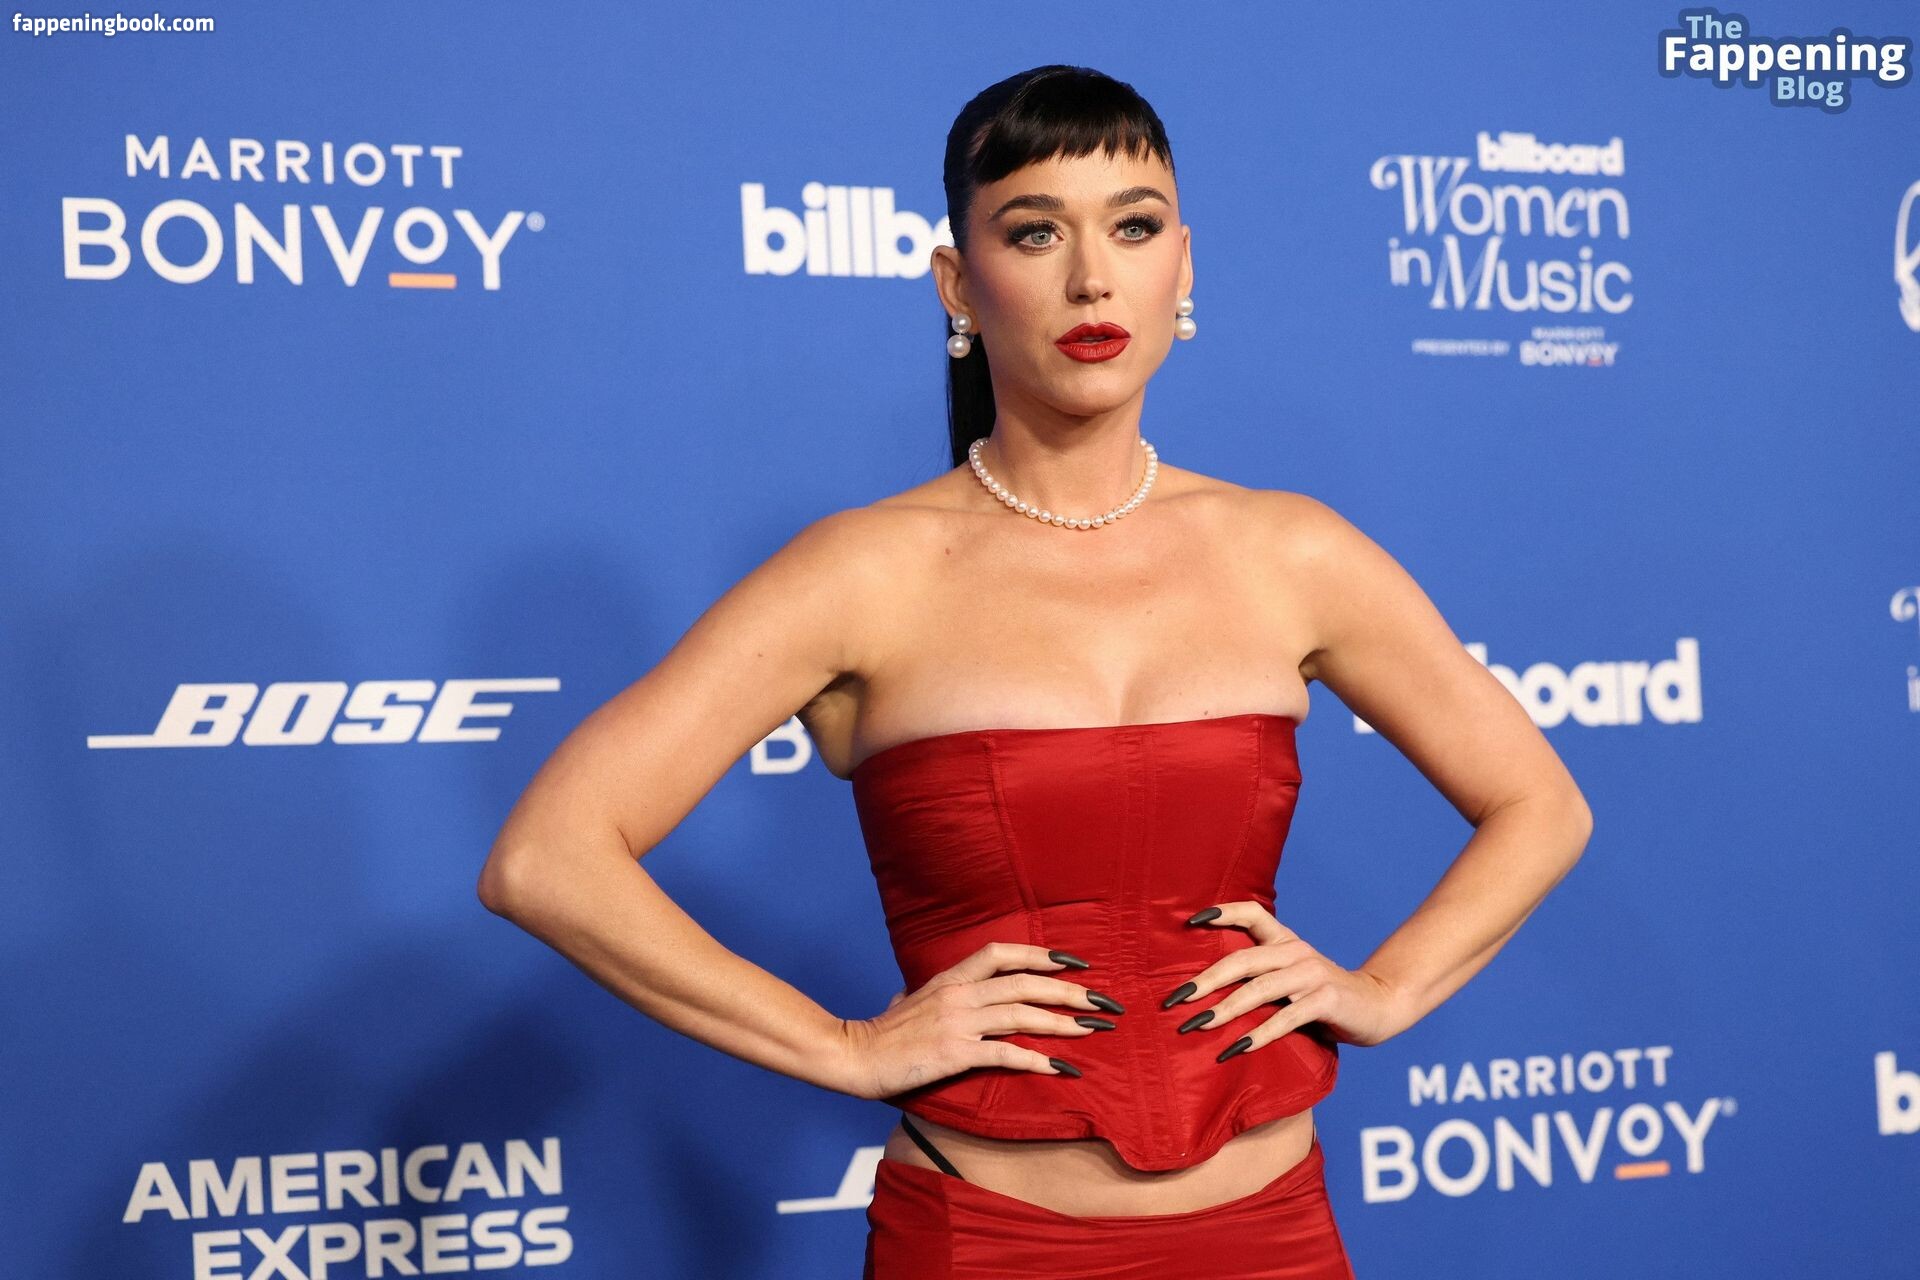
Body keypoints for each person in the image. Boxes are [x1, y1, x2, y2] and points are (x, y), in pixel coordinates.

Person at [478, 63, 1592, 1279]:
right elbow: (549, 857)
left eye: (1134, 226)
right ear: (959, 283)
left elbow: (1540, 802)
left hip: (1275, 1235)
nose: (1091, 277)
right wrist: (845, 1046)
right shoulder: (861, 571)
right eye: (1034, 232)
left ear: (1184, 266)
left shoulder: (1293, 551)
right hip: (984, 1240)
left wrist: (1383, 988)